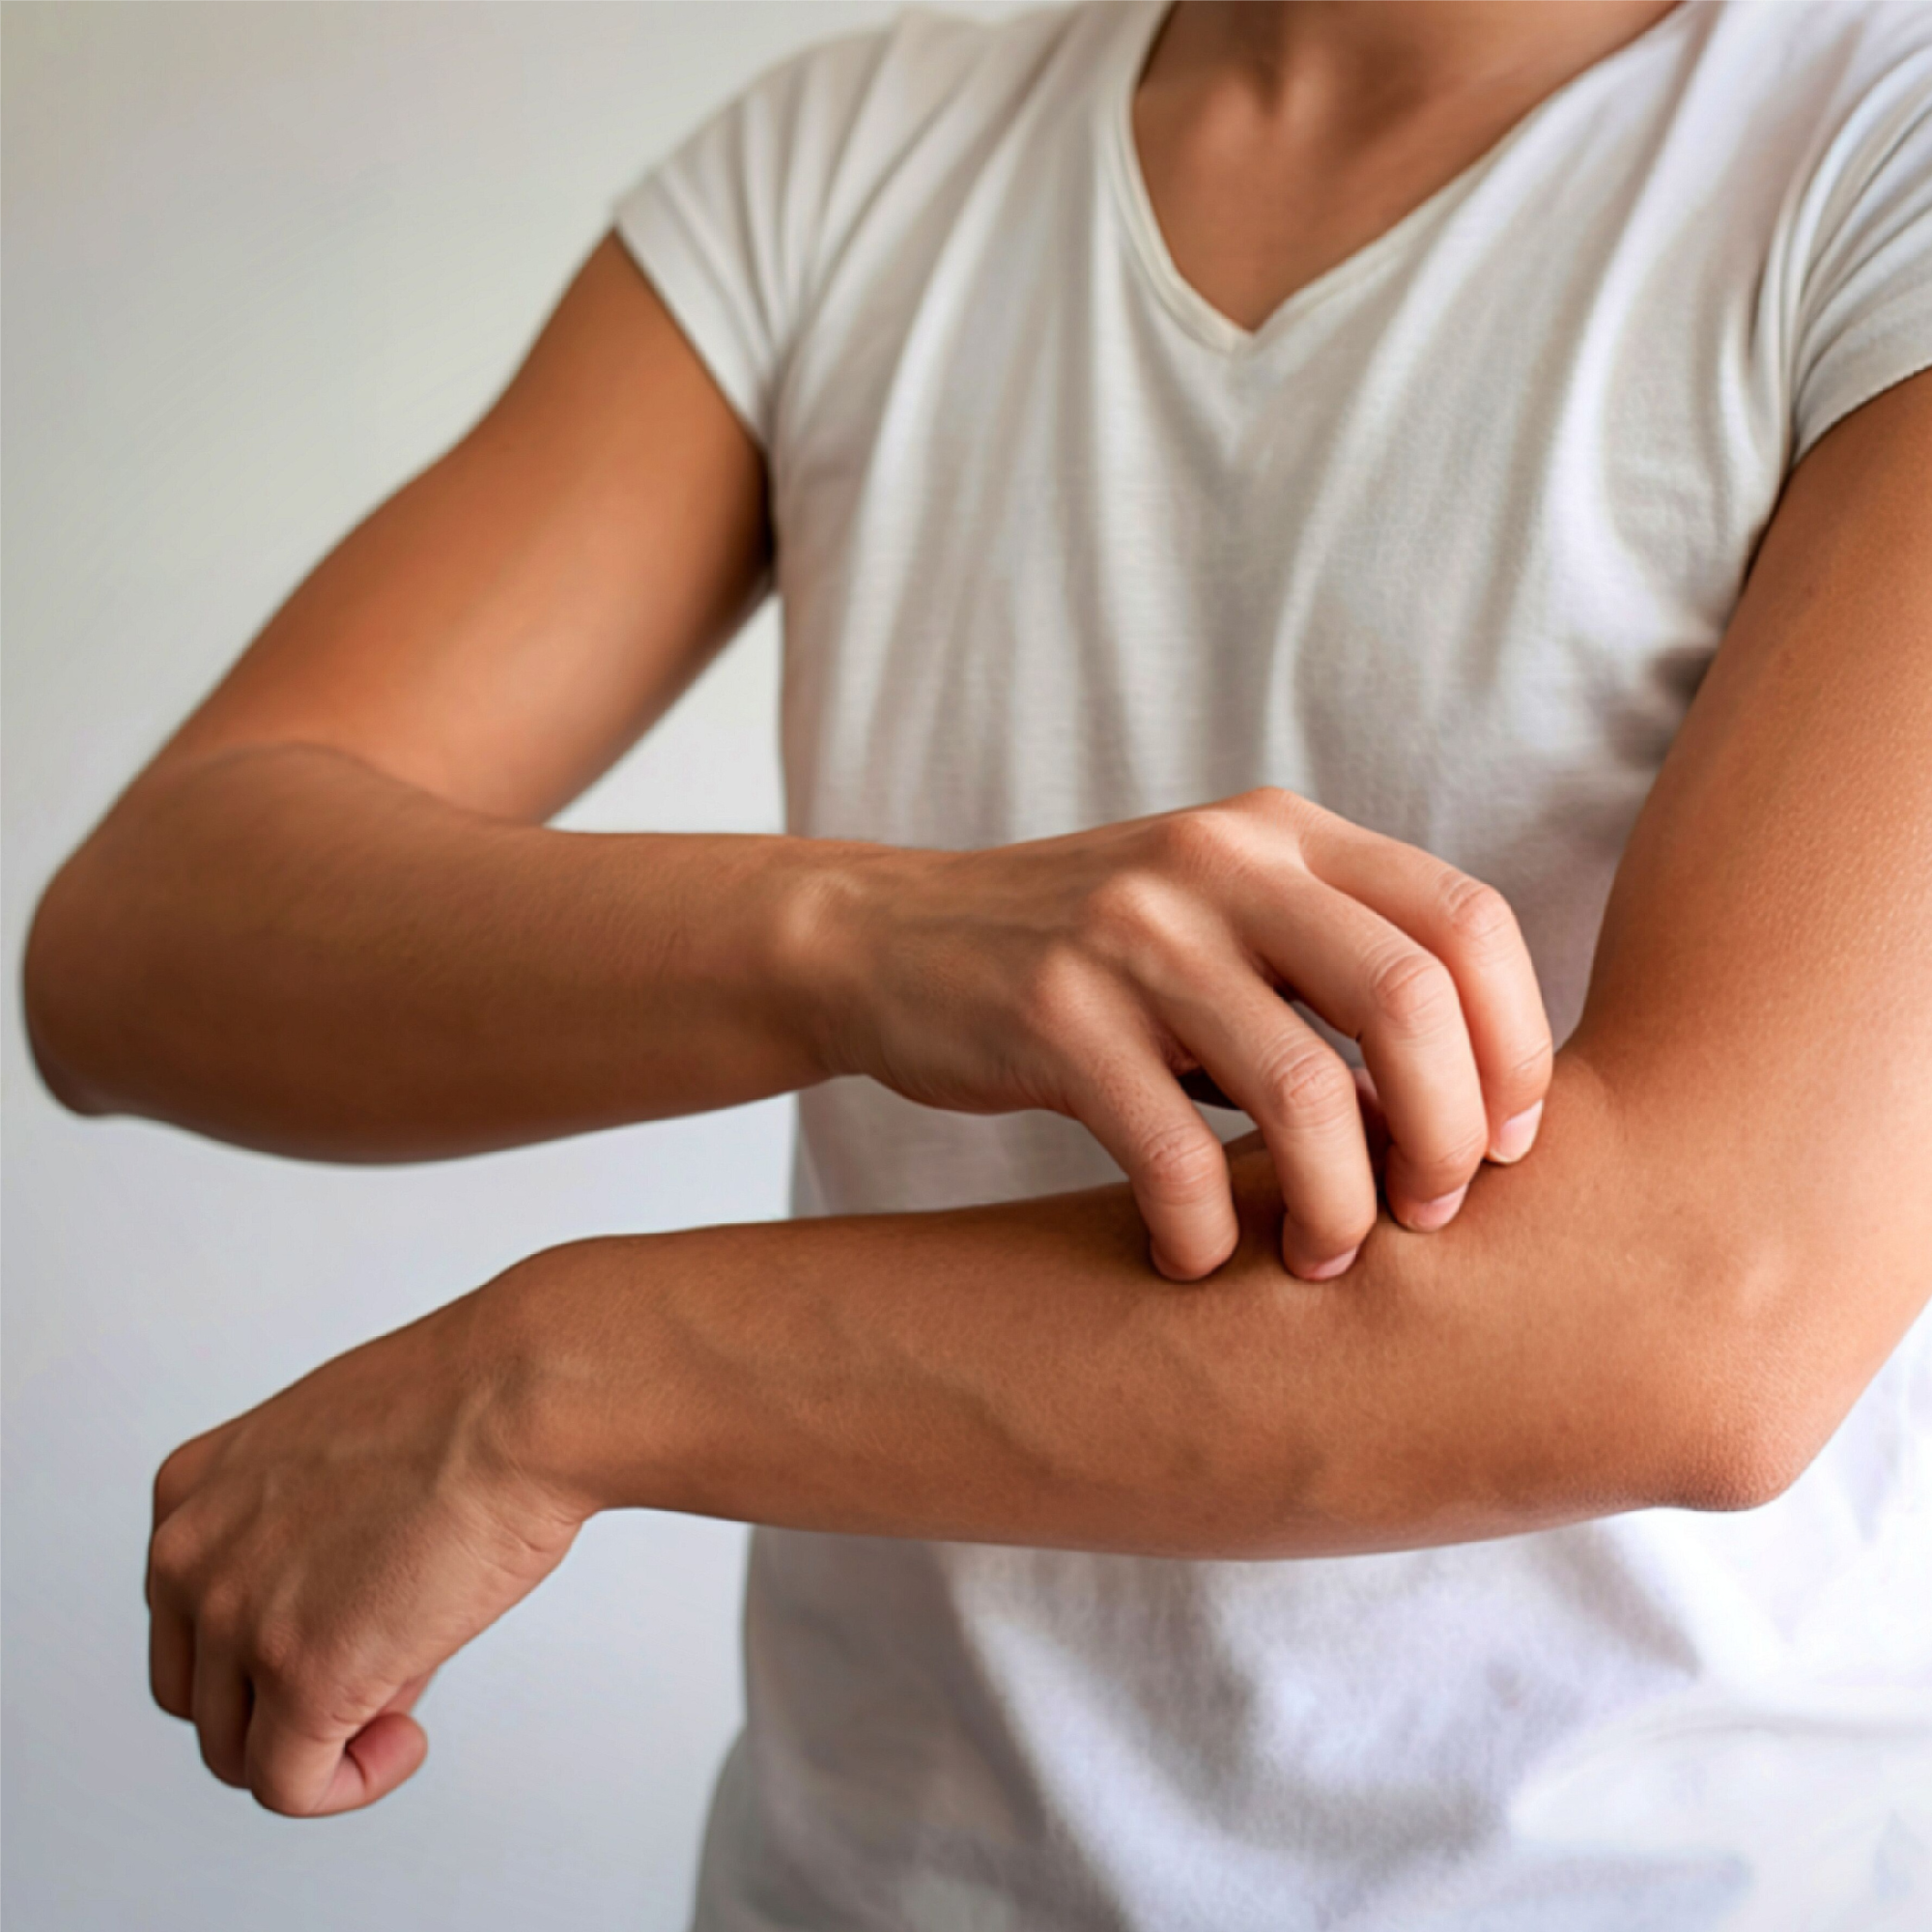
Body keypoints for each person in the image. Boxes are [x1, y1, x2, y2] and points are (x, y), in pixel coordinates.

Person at [23, 0, 1932, 1920]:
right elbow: (139, 933)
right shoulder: (853, 159)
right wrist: (862, 935)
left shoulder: (1872, 147)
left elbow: (1707, 1294)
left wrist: (556, 1374)